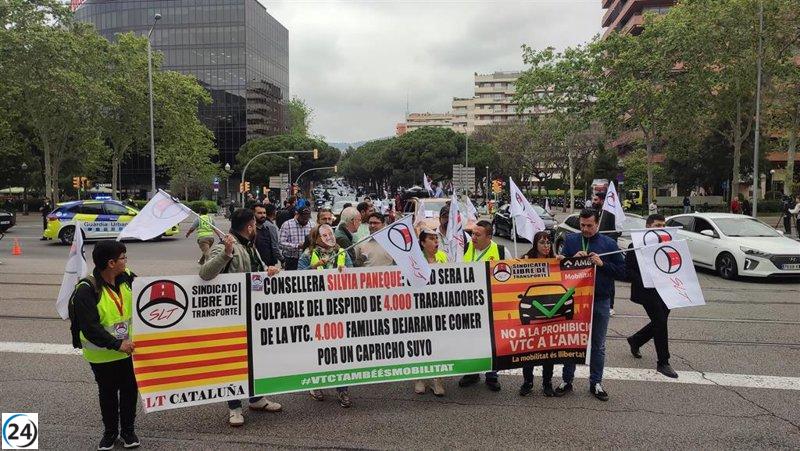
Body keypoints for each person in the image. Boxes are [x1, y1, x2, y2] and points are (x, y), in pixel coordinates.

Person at [200, 209, 282, 426]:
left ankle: (256, 398)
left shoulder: (249, 246)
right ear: (249, 227)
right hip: (231, 317)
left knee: (255, 360)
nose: (256, 227)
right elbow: (205, 274)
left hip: (253, 314)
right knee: (233, 362)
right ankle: (234, 407)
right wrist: (225, 253)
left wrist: (268, 272)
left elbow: (254, 274)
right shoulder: (225, 245)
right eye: (254, 224)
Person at [71, 240, 139, 449]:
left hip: (129, 352)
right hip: (103, 355)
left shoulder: (127, 276)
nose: (126, 261)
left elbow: (148, 293)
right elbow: (89, 328)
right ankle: (110, 433)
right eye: (123, 258)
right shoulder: (86, 289)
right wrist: (117, 345)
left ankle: (128, 432)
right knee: (108, 394)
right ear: (111, 263)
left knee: (129, 391)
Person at [555, 209, 626, 401]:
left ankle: (596, 382)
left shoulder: (609, 244)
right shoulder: (570, 240)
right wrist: (570, 260)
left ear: (597, 224)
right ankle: (567, 380)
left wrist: (602, 264)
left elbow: (623, 273)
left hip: (600, 300)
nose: (585, 229)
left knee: (598, 345)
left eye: (589, 225)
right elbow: (559, 269)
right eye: (582, 225)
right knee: (571, 341)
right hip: (574, 300)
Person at [298, 224, 354, 408]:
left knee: (340, 350)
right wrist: (312, 270)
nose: (330, 237)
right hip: (316, 309)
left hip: (340, 309)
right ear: (316, 238)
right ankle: (316, 384)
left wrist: (345, 272)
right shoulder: (307, 255)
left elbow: (354, 275)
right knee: (318, 349)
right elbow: (297, 279)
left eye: (331, 233)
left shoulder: (342, 253)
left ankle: (342, 389)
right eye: (325, 235)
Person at [626, 214, 678, 379]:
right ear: (648, 227)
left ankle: (636, 340)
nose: (661, 228)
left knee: (660, 321)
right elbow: (628, 272)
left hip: (665, 289)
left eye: (663, 225)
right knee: (660, 322)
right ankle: (663, 362)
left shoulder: (669, 244)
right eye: (657, 225)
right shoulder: (635, 245)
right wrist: (646, 276)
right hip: (646, 290)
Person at [459, 220, 506, 392]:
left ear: (489, 236)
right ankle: (472, 372)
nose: (473, 237)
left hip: (492, 305)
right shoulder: (465, 248)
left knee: (492, 342)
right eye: (472, 233)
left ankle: (492, 375)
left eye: (478, 234)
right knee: (470, 340)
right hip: (469, 304)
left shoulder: (500, 251)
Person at [519, 231, 559, 397]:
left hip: (551, 313)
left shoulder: (555, 261)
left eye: (549, 242)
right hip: (533, 312)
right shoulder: (526, 260)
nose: (546, 245)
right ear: (535, 244)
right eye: (542, 242)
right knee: (529, 350)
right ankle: (527, 382)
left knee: (548, 351)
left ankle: (547, 382)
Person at [414, 229, 447, 396]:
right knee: (421, 343)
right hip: (420, 307)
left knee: (439, 342)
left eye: (437, 239)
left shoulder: (443, 257)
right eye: (432, 239)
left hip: (439, 306)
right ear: (422, 242)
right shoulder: (415, 259)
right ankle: (420, 378)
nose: (436, 242)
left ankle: (437, 379)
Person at [278, 205, 312, 270]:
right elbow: (281, 244)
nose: (305, 221)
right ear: (297, 215)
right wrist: (297, 246)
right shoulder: (287, 225)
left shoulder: (312, 224)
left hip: (307, 259)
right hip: (291, 260)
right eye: (303, 218)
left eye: (307, 218)